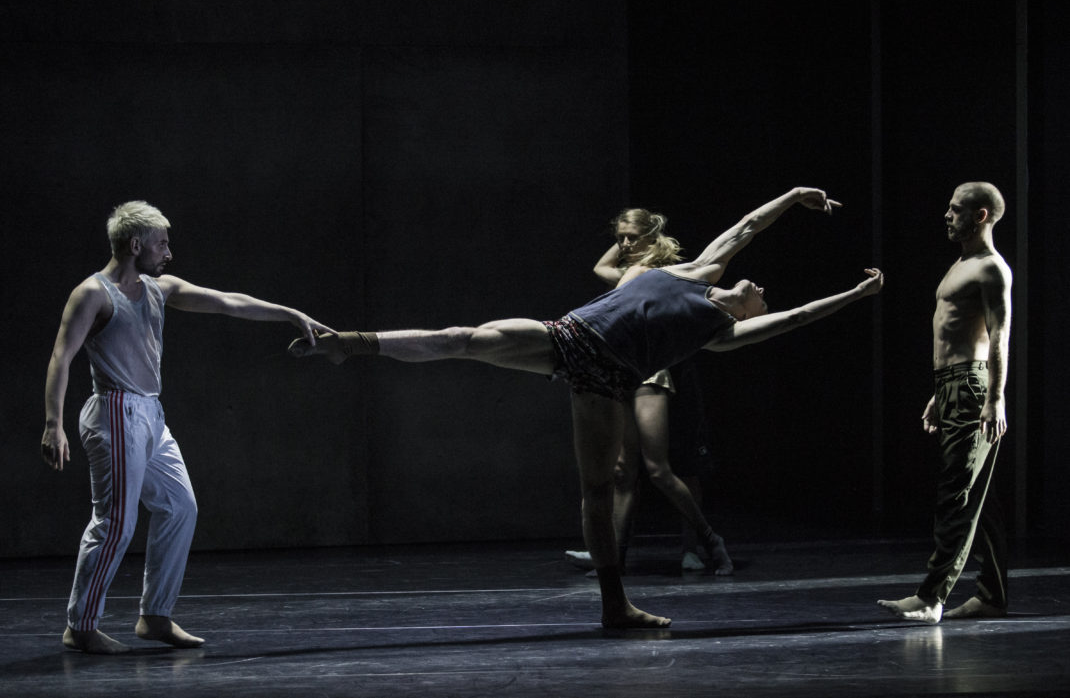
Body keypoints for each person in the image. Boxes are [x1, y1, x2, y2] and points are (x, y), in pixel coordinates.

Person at [290, 187, 884, 629]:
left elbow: (800, 317)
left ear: (750, 312)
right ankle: (351, 343)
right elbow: (749, 226)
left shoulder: (722, 333)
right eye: (761, 289)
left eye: (763, 299)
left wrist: (854, 296)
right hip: (566, 338)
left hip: (604, 383)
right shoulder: (688, 269)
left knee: (599, 489)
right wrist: (796, 195)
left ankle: (613, 605)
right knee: (465, 337)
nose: (762, 290)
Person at [41, 201, 334, 654]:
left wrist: (291, 314)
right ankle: (80, 625)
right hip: (115, 411)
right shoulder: (93, 294)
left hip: (151, 416)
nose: (169, 253)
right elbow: (62, 355)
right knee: (116, 522)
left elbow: (228, 303)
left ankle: (155, 616)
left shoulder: (161, 288)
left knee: (180, 507)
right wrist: (53, 423)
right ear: (135, 245)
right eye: (162, 243)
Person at [566, 209, 733, 576]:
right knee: (624, 471)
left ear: (652, 237)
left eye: (631, 237)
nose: (624, 244)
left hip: (657, 372)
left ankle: (706, 542)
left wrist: (648, 242)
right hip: (623, 371)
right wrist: (629, 238)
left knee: (661, 469)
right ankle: (613, 557)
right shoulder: (630, 273)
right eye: (620, 236)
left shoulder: (669, 274)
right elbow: (601, 269)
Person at [878, 182, 1012, 625]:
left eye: (956, 210)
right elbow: (959, 335)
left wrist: (994, 398)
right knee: (979, 499)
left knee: (955, 496)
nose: (946, 215)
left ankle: (931, 596)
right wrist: (940, 391)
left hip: (975, 390)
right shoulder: (961, 265)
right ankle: (991, 596)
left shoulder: (991, 269)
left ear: (980, 216)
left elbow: (998, 338)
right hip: (954, 385)